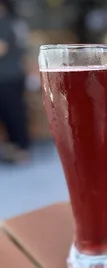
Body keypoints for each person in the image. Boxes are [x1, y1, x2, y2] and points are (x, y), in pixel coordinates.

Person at [0, 0, 30, 163]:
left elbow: (1, 48)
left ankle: (21, 150)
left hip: (7, 78)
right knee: (12, 114)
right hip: (12, 76)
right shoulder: (13, 21)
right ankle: (16, 149)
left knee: (13, 115)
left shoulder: (4, 22)